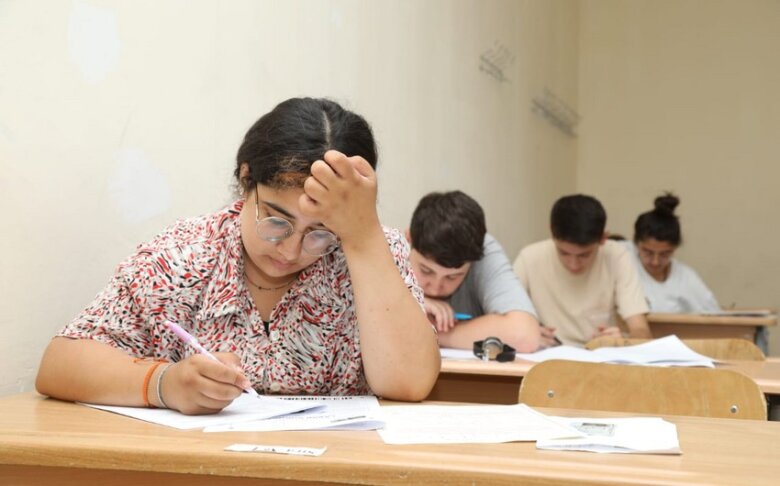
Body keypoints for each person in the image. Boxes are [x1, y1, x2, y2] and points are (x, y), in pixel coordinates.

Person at [36, 97, 440, 415]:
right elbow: (61, 363)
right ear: (247, 178)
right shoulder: (185, 255)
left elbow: (408, 383)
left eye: (320, 233)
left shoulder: (372, 251)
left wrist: (362, 237)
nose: (291, 250)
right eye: (276, 221)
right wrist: (163, 384)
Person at [407, 191, 541, 352]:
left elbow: (523, 334)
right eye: (426, 270)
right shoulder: (390, 249)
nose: (436, 288)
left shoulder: (480, 248)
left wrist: (428, 330)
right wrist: (410, 303)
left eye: (452, 277)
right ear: (408, 239)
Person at [513, 194, 651, 347]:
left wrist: (622, 343)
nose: (574, 265)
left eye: (584, 255)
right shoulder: (529, 258)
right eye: (564, 253)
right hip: (547, 354)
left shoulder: (617, 256)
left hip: (600, 355)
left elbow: (641, 330)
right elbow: (504, 322)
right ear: (552, 233)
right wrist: (526, 333)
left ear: (603, 239)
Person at [628, 193, 720, 313]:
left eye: (664, 254)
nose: (655, 262)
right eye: (648, 252)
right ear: (636, 244)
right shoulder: (622, 258)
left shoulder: (685, 278)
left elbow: (714, 316)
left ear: (675, 249)